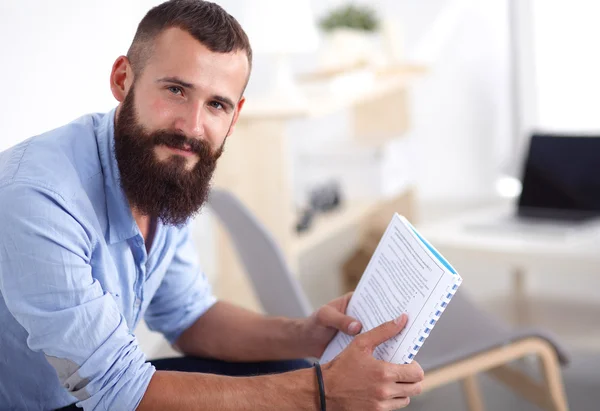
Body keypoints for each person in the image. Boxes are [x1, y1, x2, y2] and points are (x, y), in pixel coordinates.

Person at [0, 1, 424, 410]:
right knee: (304, 391)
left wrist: (307, 335)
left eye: (216, 104)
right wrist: (323, 391)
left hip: (93, 393)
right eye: (175, 90)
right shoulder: (38, 196)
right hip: (41, 403)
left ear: (234, 117)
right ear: (122, 79)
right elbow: (117, 393)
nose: (192, 127)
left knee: (289, 366)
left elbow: (190, 317)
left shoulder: (162, 169)